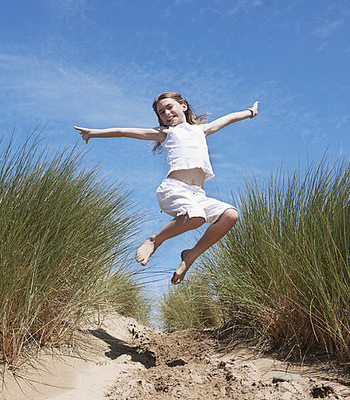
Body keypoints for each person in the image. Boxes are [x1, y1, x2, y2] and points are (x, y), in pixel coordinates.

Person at [74, 92, 259, 285]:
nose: (167, 113)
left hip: (197, 194)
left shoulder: (201, 130)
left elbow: (229, 118)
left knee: (231, 215)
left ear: (183, 106)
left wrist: (250, 112)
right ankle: (154, 241)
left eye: (169, 107)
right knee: (196, 217)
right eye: (161, 113)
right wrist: (93, 132)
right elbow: (124, 131)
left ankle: (189, 257)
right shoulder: (166, 133)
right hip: (174, 189)